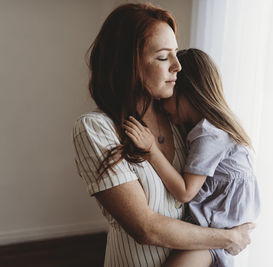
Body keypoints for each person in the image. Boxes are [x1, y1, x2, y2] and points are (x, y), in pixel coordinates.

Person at [72, 4, 254, 267]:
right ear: (129, 66)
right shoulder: (96, 129)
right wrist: (227, 238)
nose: (178, 67)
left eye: (176, 54)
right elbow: (146, 228)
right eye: (162, 57)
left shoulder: (181, 121)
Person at [123, 48, 261, 267]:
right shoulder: (211, 130)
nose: (162, 108)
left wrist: (151, 150)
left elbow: (186, 192)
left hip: (210, 237)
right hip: (215, 234)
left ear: (188, 93)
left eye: (166, 99)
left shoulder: (209, 134)